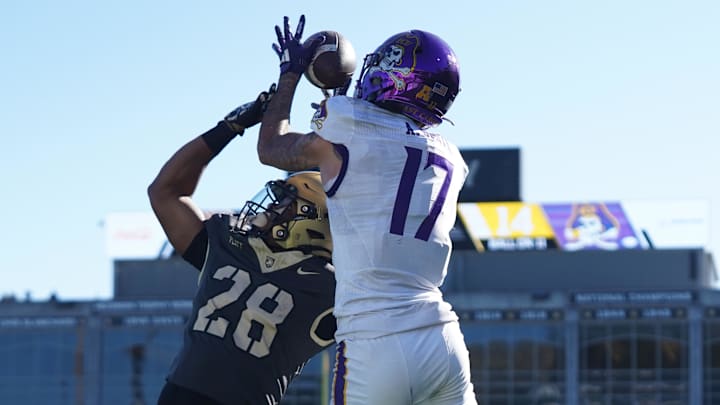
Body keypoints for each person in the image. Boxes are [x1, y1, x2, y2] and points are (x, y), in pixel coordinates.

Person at [258, 15, 477, 405]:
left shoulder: (349, 126)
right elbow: (383, 158)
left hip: (375, 340)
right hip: (442, 339)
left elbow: (271, 147)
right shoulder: (450, 156)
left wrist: (290, 75)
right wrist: (339, 107)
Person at [148, 85, 336, 405]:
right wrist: (229, 127)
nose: (269, 210)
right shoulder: (230, 243)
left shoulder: (330, 286)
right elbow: (165, 192)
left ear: (311, 219)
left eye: (284, 205)